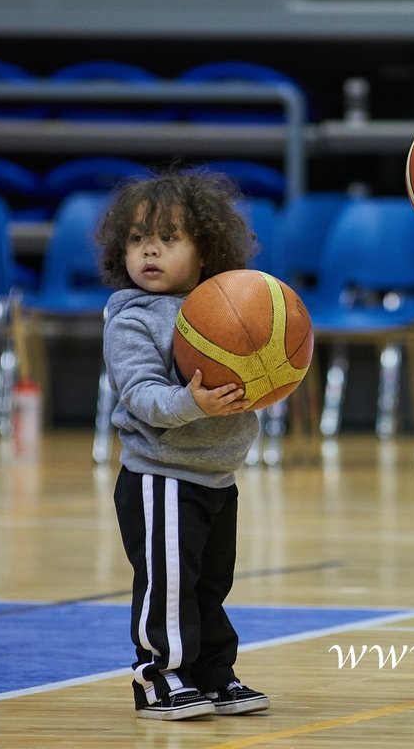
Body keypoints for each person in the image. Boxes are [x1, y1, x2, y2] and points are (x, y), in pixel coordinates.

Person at [97, 170, 270, 721]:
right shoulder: (131, 319)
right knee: (168, 583)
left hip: (217, 474)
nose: (149, 249)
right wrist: (195, 403)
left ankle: (213, 674)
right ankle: (159, 676)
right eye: (137, 238)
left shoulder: (229, 306)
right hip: (161, 475)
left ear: (206, 251)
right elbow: (144, 396)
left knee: (210, 584)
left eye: (169, 238)